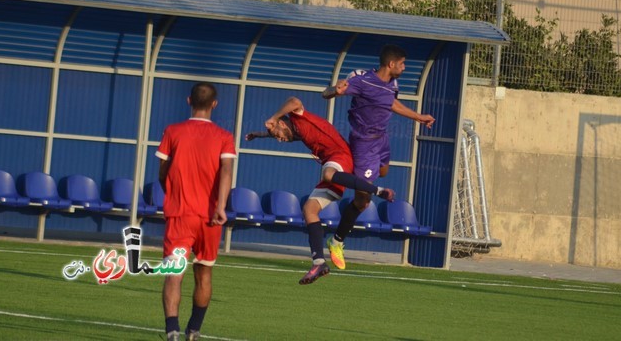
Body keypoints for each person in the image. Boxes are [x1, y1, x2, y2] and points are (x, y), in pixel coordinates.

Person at [245, 96, 394, 284]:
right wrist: (259, 134)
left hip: (340, 157)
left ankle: (378, 190)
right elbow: (287, 133)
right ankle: (319, 262)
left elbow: (294, 100)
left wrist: (273, 117)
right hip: (333, 164)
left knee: (329, 174)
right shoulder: (296, 132)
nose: (280, 140)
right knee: (309, 209)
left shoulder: (298, 117)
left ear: (282, 123)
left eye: (278, 134)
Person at [322, 44, 436, 270]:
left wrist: (419, 117)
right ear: (391, 64)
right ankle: (336, 241)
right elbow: (326, 94)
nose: (404, 68)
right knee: (363, 202)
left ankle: (358, 173)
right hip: (364, 144)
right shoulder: (362, 80)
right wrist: (335, 89)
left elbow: (391, 103)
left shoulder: (392, 83)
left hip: (382, 139)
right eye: (402, 64)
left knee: (383, 172)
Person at [156, 82, 237, 341]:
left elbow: (162, 173)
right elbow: (226, 171)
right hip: (210, 218)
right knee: (204, 274)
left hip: (180, 215)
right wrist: (221, 206)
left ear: (188, 100)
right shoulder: (224, 136)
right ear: (215, 104)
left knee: (173, 275)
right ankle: (193, 330)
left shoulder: (173, 131)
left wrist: (173, 192)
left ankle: (171, 332)